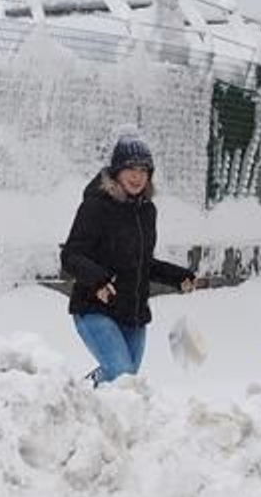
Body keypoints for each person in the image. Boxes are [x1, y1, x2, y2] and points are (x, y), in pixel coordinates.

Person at [61, 131, 196, 384]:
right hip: (94, 307)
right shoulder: (96, 206)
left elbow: (143, 263)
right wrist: (99, 281)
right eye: (130, 169)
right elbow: (70, 255)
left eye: (144, 170)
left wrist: (178, 277)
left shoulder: (147, 211)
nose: (137, 176)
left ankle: (82, 396)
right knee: (121, 374)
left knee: (126, 382)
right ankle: (82, 401)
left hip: (133, 313)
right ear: (116, 171)